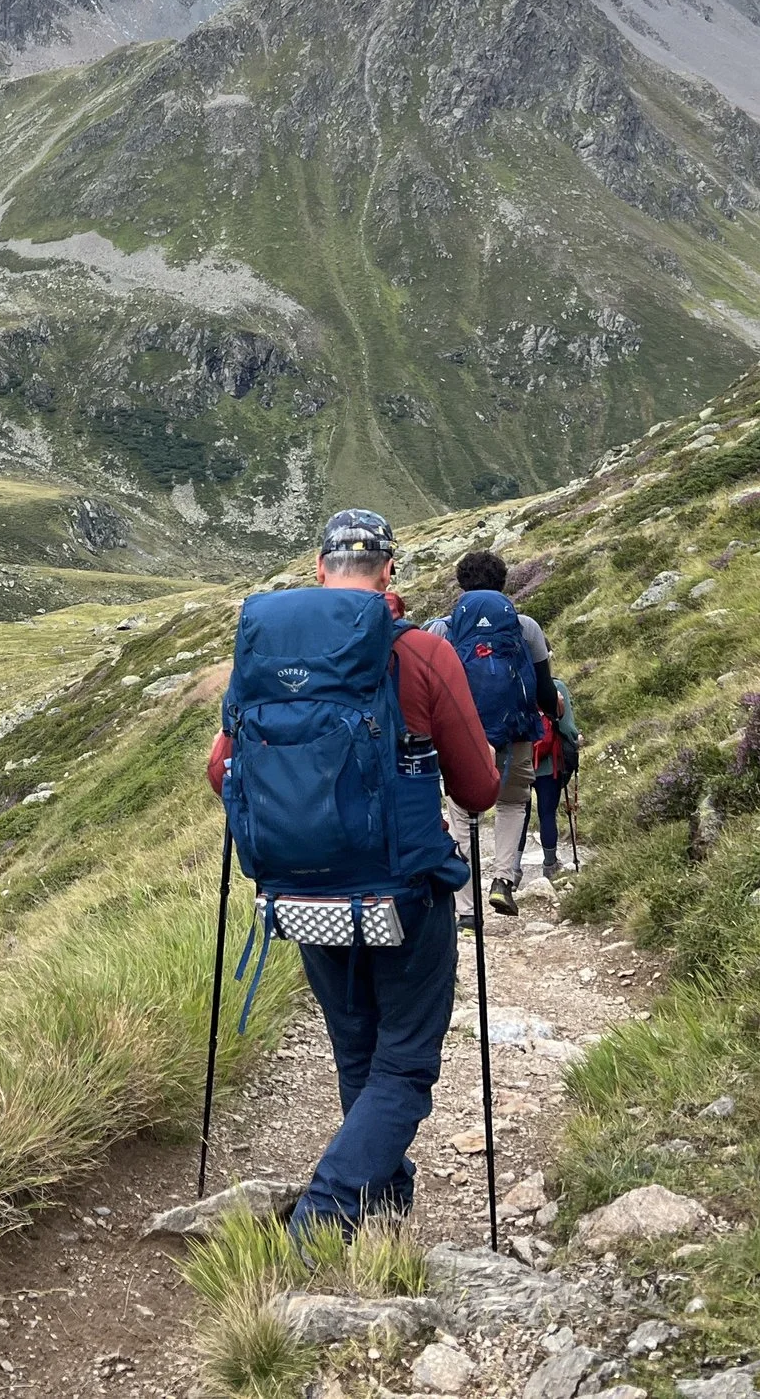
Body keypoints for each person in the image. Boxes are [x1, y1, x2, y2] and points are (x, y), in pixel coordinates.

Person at [205, 509, 499, 1241]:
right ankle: (325, 1217)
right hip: (404, 892)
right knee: (404, 1066)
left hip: (302, 890)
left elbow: (220, 770)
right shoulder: (421, 654)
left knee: (358, 1052)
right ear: (390, 570)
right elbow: (477, 790)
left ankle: (383, 1209)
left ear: (320, 568)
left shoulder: (264, 654)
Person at [424, 550, 562, 919]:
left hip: (462, 738)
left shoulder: (443, 630)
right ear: (503, 583)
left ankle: (467, 910)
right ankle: (503, 879)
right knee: (512, 803)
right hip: (515, 732)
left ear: (461, 584)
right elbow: (544, 689)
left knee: (462, 816)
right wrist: (554, 711)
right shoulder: (525, 627)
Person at [531, 691, 580, 877]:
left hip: (519, 762)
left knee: (518, 815)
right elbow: (567, 727)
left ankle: (512, 871)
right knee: (547, 813)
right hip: (549, 765)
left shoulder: (515, 683)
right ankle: (550, 864)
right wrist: (576, 739)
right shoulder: (555, 687)